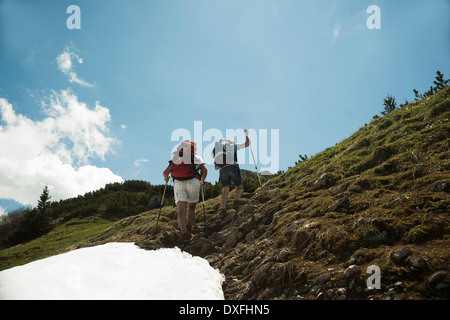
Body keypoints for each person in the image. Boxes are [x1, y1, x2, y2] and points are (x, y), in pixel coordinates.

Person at [163, 140, 207, 243]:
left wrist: (166, 178)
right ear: (193, 148)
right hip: (193, 181)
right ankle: (189, 229)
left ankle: (184, 233)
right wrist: (202, 181)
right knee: (191, 207)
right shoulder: (196, 157)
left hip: (178, 183)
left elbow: (165, 172)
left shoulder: (176, 158)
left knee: (181, 210)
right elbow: (204, 170)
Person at [213, 130, 251, 218]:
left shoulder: (216, 149)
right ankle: (236, 201)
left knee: (225, 192)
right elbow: (247, 143)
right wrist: (246, 135)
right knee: (238, 187)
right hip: (233, 167)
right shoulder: (232, 145)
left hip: (222, 170)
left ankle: (223, 209)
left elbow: (216, 167)